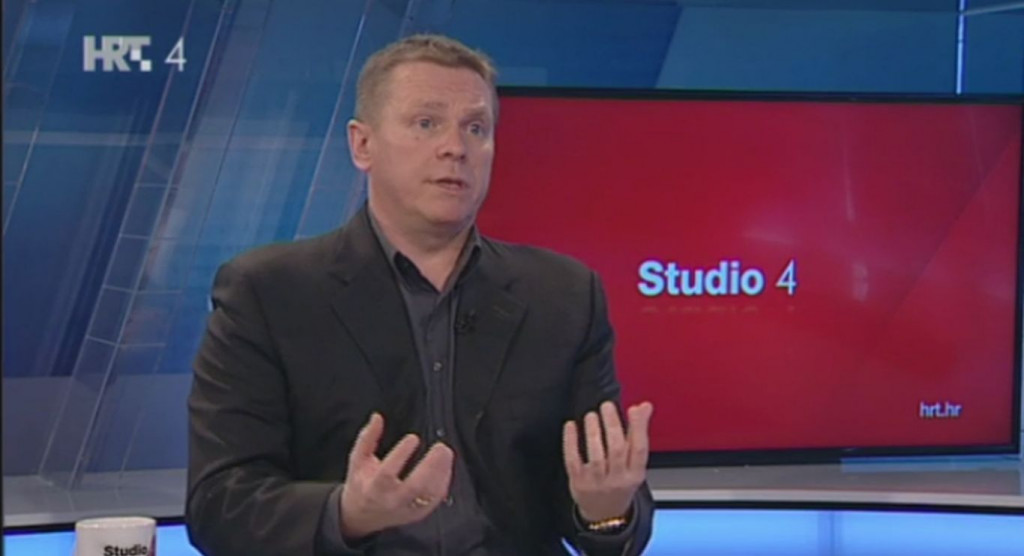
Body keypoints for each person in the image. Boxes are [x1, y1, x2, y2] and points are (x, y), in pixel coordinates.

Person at [186, 34, 655, 555]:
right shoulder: (267, 293)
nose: (455, 147)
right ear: (362, 145)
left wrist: (605, 512)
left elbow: (609, 505)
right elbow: (220, 504)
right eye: (426, 123)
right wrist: (347, 514)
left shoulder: (564, 296)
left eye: (476, 128)